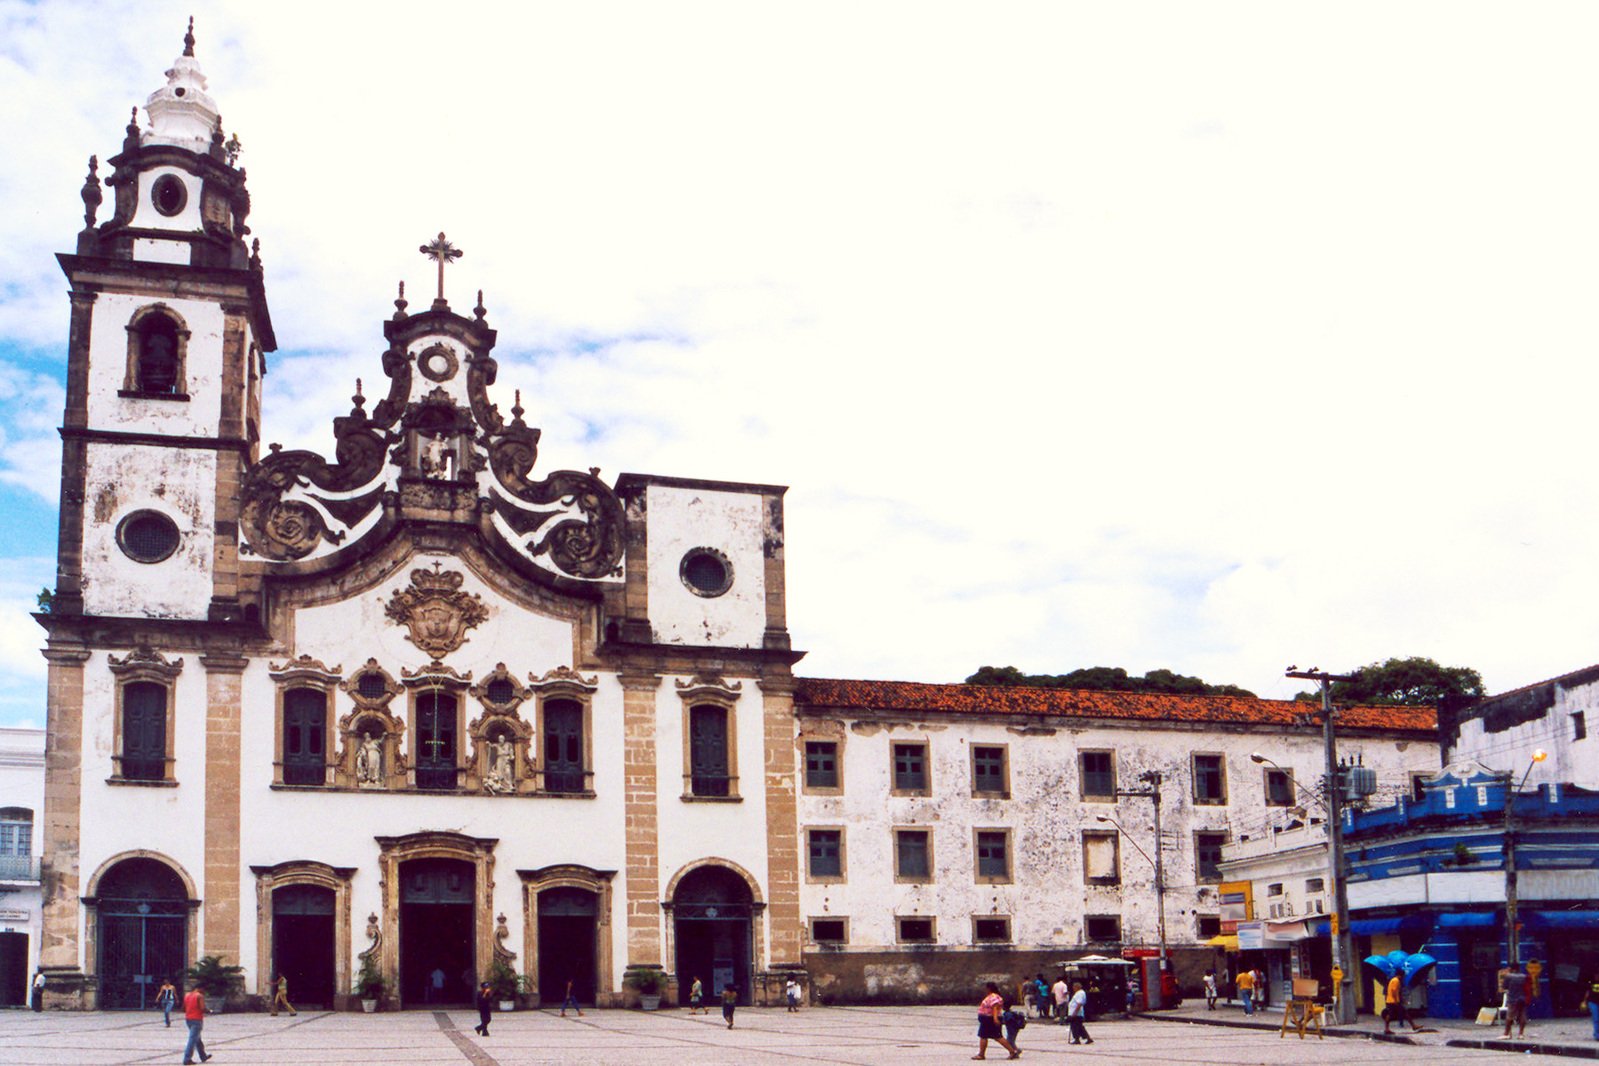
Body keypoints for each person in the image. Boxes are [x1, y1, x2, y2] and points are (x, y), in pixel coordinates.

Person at [973, 980, 1020, 1060]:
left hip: (989, 1019)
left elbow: (995, 1007)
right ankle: (982, 1053)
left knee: (993, 1036)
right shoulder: (993, 996)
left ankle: (1012, 1052)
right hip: (986, 1019)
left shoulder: (994, 997)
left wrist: (995, 1018)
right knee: (989, 1036)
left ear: (989, 988)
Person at [181, 981, 211, 1065]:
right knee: (192, 1040)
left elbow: (183, 1008)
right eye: (204, 990)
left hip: (188, 1019)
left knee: (197, 1039)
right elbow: (202, 1008)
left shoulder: (187, 995)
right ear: (200, 988)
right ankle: (187, 1059)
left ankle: (203, 1056)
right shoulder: (199, 996)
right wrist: (210, 1010)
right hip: (197, 1019)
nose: (204, 992)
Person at [1500, 962, 1529, 1039]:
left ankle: (1507, 1033)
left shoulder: (1509, 976)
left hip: (1513, 999)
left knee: (1509, 1016)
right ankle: (1521, 1034)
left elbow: (1504, 987)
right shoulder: (1524, 976)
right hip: (1523, 998)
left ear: (1511, 969)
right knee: (1522, 1015)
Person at [1066, 981, 1093, 1046]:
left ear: (1077, 987)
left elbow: (1079, 1003)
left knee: (1075, 1026)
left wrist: (1075, 1012)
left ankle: (1077, 1039)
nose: (1073, 988)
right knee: (1079, 1027)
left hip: (1077, 1013)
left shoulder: (1080, 993)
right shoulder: (1079, 993)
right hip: (1076, 1013)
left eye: (1074, 987)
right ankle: (1087, 1038)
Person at [1580, 971, 1599, 1041]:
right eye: (1596, 975)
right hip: (1593, 1002)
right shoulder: (1591, 983)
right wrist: (1584, 1001)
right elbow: (1587, 992)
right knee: (1596, 1018)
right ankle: (1597, 1035)